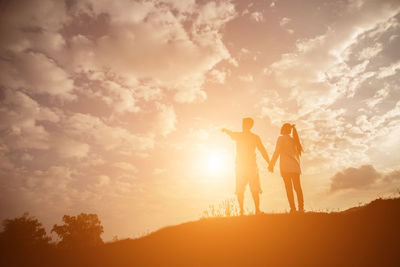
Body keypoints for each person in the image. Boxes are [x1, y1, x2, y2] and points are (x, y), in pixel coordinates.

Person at [222, 118, 270, 215]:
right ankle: (244, 210)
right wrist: (269, 162)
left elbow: (262, 150)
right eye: (243, 123)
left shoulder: (246, 136)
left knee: (250, 189)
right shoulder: (250, 136)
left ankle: (253, 210)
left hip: (247, 166)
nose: (243, 125)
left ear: (249, 125)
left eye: (244, 124)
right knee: (244, 189)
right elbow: (262, 150)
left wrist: (269, 162)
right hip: (244, 165)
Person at [268, 123, 304, 213]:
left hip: (286, 168)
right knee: (298, 188)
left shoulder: (281, 138)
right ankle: (301, 208)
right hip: (295, 167)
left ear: (283, 129)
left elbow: (277, 152)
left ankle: (293, 209)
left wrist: (271, 164)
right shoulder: (294, 140)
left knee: (289, 189)